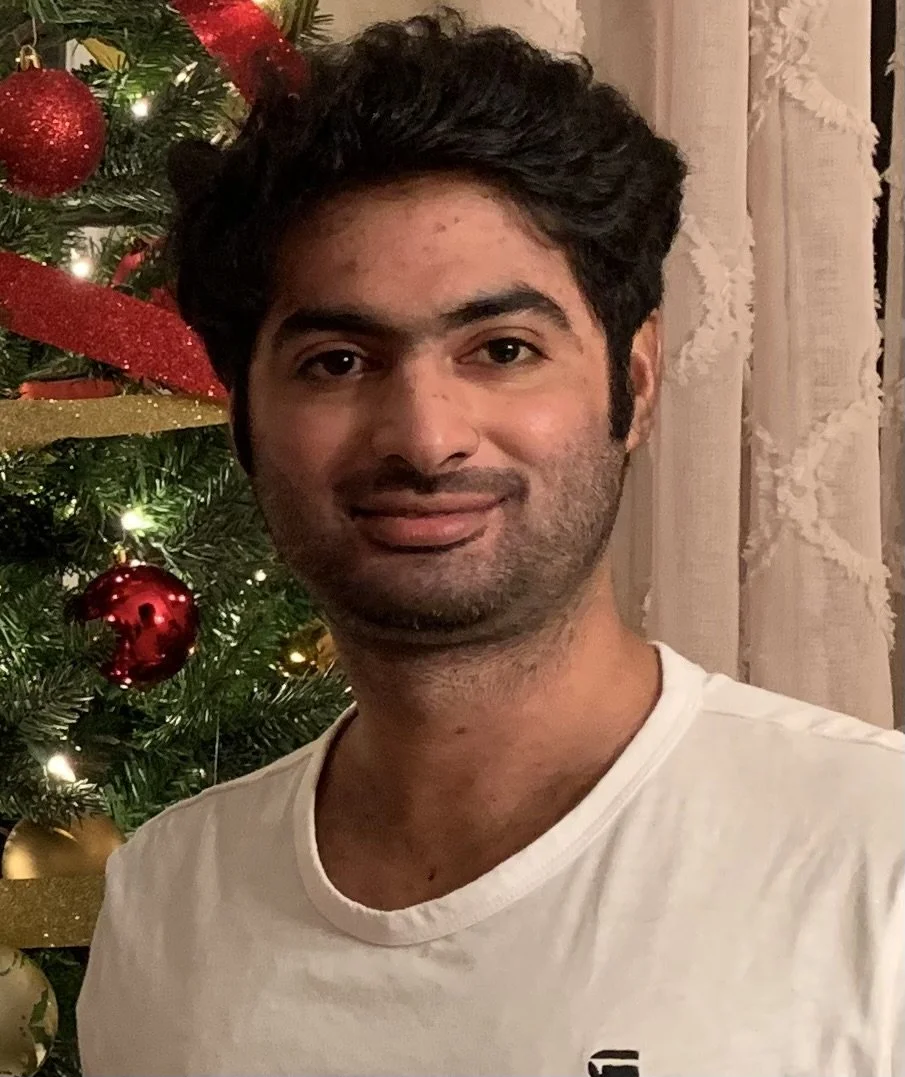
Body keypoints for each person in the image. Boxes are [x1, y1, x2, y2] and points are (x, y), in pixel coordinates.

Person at [76, 10, 904, 1076]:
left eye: (501, 349)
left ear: (633, 384)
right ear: (243, 414)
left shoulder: (873, 857)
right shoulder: (166, 900)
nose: (424, 438)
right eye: (336, 361)